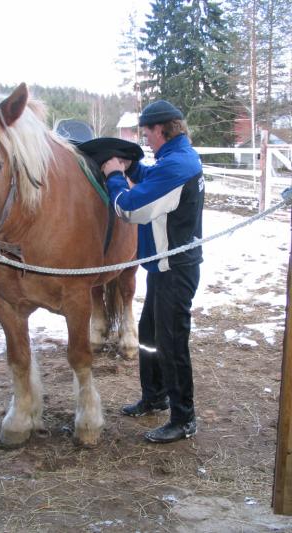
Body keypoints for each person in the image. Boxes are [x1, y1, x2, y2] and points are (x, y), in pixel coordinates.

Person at [101, 100, 204, 444]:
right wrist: (132, 168)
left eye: (147, 131)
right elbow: (155, 180)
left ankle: (183, 418)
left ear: (161, 129)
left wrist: (115, 176)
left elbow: (130, 208)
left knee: (172, 343)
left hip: (175, 270)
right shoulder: (175, 160)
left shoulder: (178, 166)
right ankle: (154, 396)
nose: (145, 137)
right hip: (164, 268)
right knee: (149, 336)